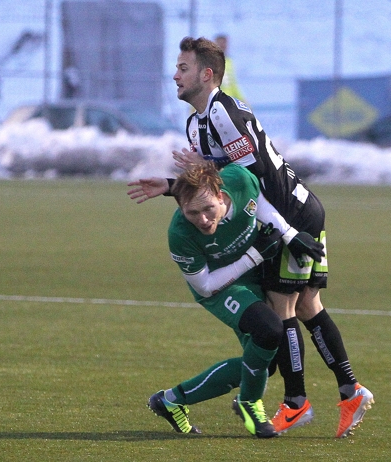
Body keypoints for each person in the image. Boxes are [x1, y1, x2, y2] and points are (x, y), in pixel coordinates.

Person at [140, 36, 373, 438]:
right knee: (305, 307)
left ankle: (297, 403)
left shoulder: (222, 112)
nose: (175, 75)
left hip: (288, 213)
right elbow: (211, 184)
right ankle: (348, 390)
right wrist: (171, 183)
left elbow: (252, 174)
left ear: (206, 74)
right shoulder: (196, 122)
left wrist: (285, 231)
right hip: (292, 212)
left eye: (183, 68)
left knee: (280, 312)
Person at [129, 161, 299, 438]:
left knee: (265, 363)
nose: (203, 220)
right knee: (268, 329)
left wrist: (287, 233)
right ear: (181, 208)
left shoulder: (240, 180)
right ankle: (249, 402)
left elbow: (258, 200)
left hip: (251, 273)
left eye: (208, 209)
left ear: (221, 196)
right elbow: (206, 286)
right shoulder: (180, 234)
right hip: (219, 288)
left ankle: (171, 400)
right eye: (192, 212)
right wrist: (255, 256)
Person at [214, 34, 246, 102]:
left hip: (229, 101)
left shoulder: (229, 61)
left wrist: (243, 100)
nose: (222, 46)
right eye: (220, 44)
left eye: (224, 44)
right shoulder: (209, 62)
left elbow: (233, 84)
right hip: (216, 101)